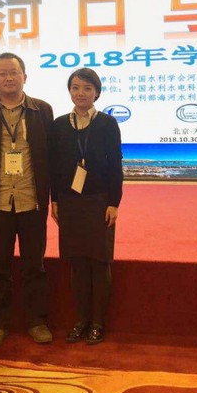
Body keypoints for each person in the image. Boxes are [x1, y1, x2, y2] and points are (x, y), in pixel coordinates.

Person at [0, 52, 53, 348]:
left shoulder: (42, 110)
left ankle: (37, 321)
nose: (8, 78)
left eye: (14, 72)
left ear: (24, 77)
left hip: (32, 199)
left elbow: (48, 155)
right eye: (2, 73)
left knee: (34, 265)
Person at [48, 68, 123, 345]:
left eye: (87, 88)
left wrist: (114, 202)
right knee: (77, 262)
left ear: (97, 93)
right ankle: (81, 320)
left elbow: (115, 166)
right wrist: (55, 199)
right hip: (69, 203)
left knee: (99, 262)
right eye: (76, 88)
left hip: (99, 201)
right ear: (70, 91)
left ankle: (98, 322)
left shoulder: (107, 123)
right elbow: (55, 167)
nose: (81, 93)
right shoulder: (59, 125)